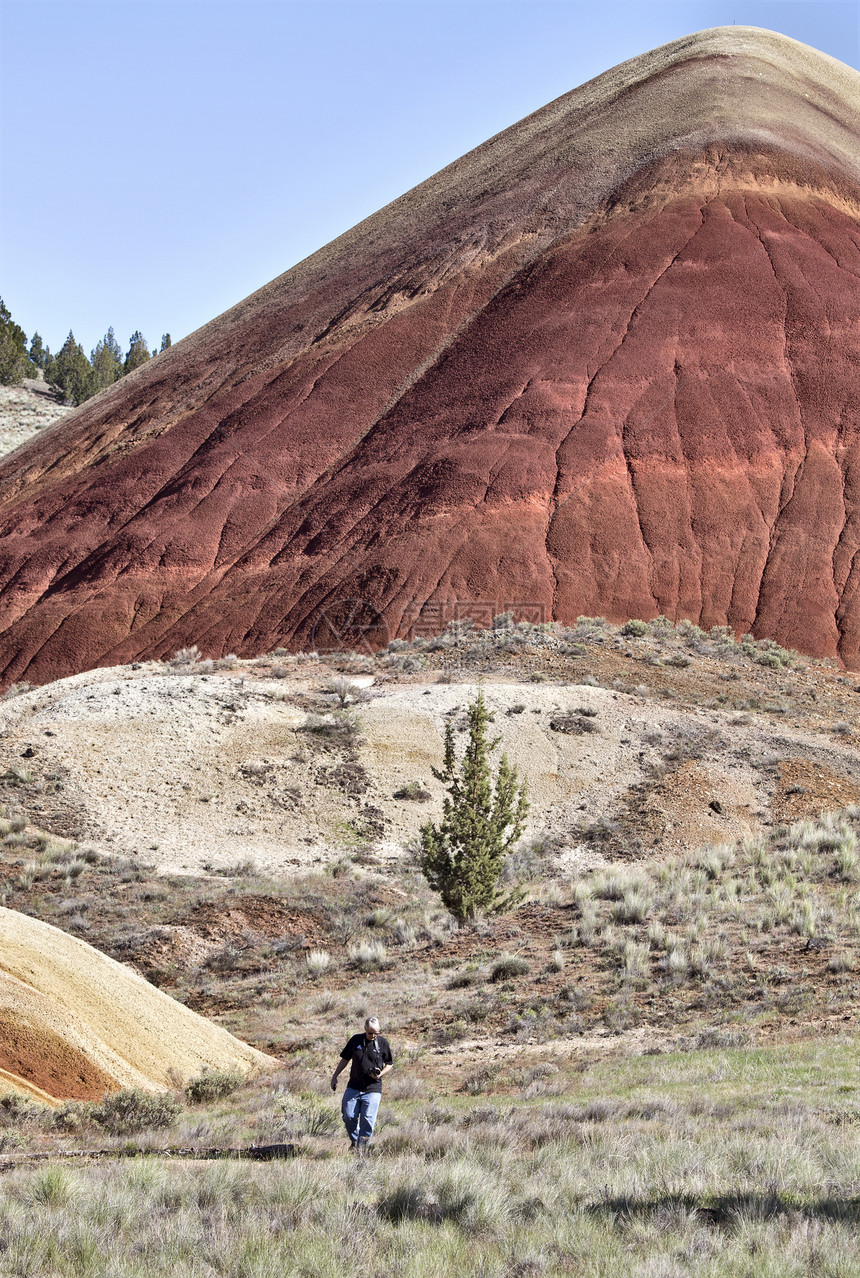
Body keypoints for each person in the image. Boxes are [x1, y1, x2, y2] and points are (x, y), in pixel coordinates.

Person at [331, 1016, 393, 1153]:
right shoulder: (355, 1040)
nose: (373, 1036)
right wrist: (335, 1076)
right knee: (348, 1116)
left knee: (367, 1121)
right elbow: (345, 1059)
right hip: (354, 1086)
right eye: (370, 1033)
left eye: (376, 1033)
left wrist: (380, 1074)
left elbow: (390, 1063)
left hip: (373, 1088)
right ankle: (356, 1141)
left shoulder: (383, 1043)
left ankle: (361, 1151)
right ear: (365, 1029)